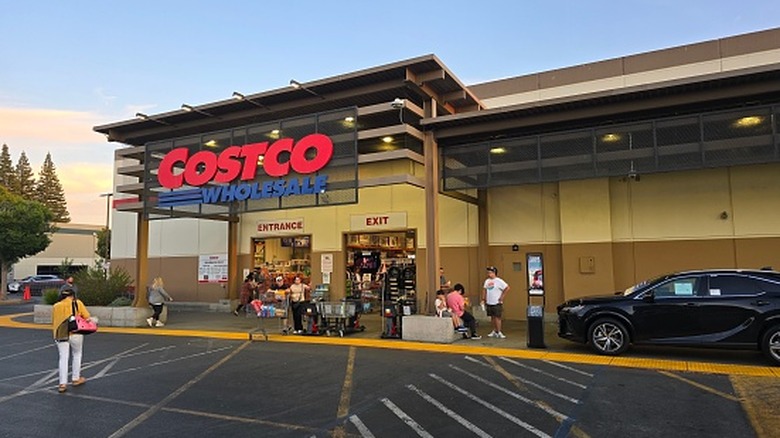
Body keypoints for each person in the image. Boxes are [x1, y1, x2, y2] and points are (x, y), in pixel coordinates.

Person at [51, 286, 92, 393]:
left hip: (60, 334)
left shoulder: (56, 306)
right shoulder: (77, 303)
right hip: (75, 333)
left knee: (63, 357)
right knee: (77, 354)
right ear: (72, 295)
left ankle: (62, 384)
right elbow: (87, 316)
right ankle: (75, 378)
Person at [482, 266, 510, 339]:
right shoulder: (487, 281)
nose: (489, 274)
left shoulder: (499, 281)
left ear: (494, 273)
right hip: (489, 302)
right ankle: (494, 330)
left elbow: (507, 288)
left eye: (491, 272)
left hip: (496, 302)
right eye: (488, 273)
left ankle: (499, 331)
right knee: (492, 317)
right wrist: (483, 298)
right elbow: (484, 290)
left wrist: (502, 297)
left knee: (497, 317)